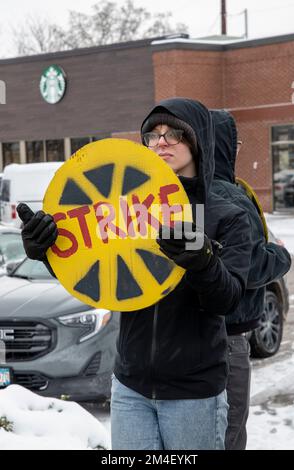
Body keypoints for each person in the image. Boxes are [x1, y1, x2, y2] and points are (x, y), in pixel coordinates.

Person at [18, 98, 253, 450]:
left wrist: (203, 261)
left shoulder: (226, 215)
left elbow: (229, 299)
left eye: (174, 133)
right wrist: (46, 251)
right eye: (152, 134)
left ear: (198, 139)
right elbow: (98, 276)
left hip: (193, 393)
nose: (161, 142)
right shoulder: (123, 203)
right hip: (130, 387)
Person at [210, 109, 291, 450]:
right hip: (228, 335)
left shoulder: (178, 194)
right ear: (222, 146)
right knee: (228, 432)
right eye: (235, 142)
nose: (238, 149)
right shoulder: (229, 195)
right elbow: (249, 264)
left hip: (194, 333)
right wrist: (280, 256)